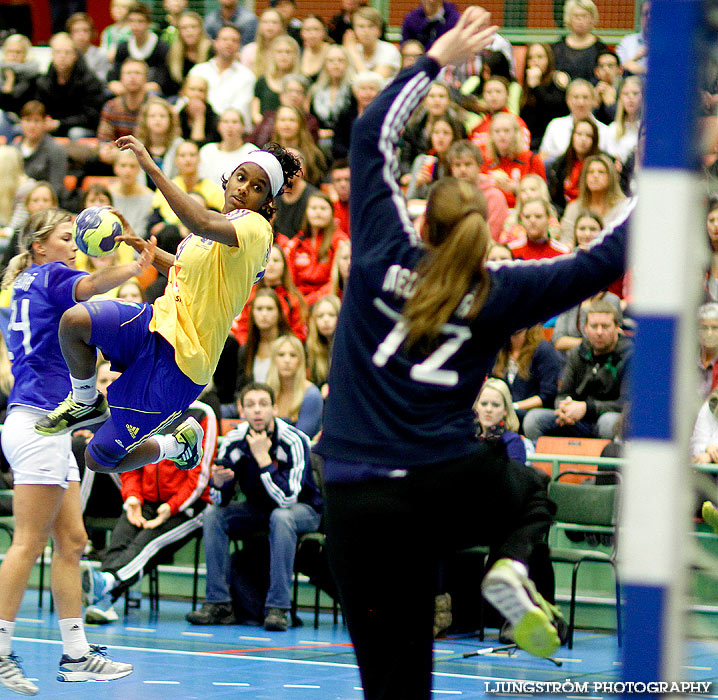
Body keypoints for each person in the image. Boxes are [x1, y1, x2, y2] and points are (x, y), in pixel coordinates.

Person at [313, 10, 634, 697]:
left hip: (351, 497)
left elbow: (371, 135)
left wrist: (436, 61)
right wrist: (678, 165)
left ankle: (505, 568)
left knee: (395, 682)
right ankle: (511, 564)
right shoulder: (500, 289)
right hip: (443, 483)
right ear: (483, 226)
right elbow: (605, 257)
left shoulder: (377, 251)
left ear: (422, 218)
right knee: (529, 497)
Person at [34, 133, 301, 478]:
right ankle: (84, 400)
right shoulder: (214, 232)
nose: (244, 188)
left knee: (97, 459)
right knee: (74, 321)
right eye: (241, 177)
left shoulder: (255, 228)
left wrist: (151, 167)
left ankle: (176, 446)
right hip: (157, 323)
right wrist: (140, 245)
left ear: (266, 200)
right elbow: (183, 268)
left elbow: (200, 220)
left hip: (182, 363)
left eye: (258, 187)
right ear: (229, 178)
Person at [0, 208, 149, 694]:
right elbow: (89, 291)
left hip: (41, 424)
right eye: (66, 237)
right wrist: (135, 266)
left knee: (73, 541)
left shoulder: (21, 283)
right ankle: (0, 652)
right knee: (27, 544)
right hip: (39, 422)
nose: (74, 244)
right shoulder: (49, 276)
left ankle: (77, 653)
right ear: (40, 245)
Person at [186, 382, 322, 631]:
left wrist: (264, 461)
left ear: (275, 408)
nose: (257, 411)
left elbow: (288, 499)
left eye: (263, 405)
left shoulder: (294, 440)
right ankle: (219, 603)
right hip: (258, 509)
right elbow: (219, 500)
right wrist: (218, 485)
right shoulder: (234, 440)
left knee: (281, 517)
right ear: (241, 410)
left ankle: (278, 608)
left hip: (303, 510)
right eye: (250, 405)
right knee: (213, 514)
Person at [80, 401, 215, 622]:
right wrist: (132, 497)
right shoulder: (146, 407)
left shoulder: (202, 413)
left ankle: (107, 586)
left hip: (189, 507)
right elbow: (130, 459)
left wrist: (172, 507)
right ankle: (106, 597)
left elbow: (200, 474)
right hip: (148, 500)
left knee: (147, 544)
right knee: (120, 536)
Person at [523, 299, 632, 443]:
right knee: (534, 419)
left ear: (616, 327)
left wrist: (587, 408)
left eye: (605, 326)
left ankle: (604, 465)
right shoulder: (577, 353)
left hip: (607, 417)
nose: (599, 332)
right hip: (577, 420)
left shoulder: (630, 355)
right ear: (585, 329)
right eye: (594, 326)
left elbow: (624, 404)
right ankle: (542, 464)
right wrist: (565, 408)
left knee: (608, 423)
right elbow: (562, 394)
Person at [34, 32, 107, 140]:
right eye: (58, 52)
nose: (62, 57)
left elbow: (92, 116)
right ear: (52, 55)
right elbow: (38, 106)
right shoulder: (44, 80)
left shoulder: (90, 81)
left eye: (67, 53)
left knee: (75, 133)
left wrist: (60, 123)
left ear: (75, 56)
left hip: (82, 128)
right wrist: (44, 120)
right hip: (52, 126)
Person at [231, 242, 307, 344]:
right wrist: (249, 351)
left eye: (276, 260)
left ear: (284, 265)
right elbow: (242, 329)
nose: (271, 265)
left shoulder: (294, 299)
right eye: (267, 260)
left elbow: (298, 333)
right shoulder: (248, 295)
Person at [491, 325, 564, 431]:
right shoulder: (499, 350)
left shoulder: (543, 349)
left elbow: (547, 396)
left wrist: (513, 407)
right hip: (503, 411)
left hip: (531, 413)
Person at [188, 25, 256, 130]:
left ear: (239, 46)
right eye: (224, 39)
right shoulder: (198, 71)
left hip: (231, 130)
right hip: (200, 126)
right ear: (215, 43)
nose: (229, 43)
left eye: (234, 40)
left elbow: (240, 110)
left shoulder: (247, 76)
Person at [480, 112, 546, 208]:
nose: (502, 135)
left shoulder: (532, 160)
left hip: (523, 212)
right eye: (497, 131)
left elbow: (542, 196)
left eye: (506, 131)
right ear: (491, 135)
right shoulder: (484, 161)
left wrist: (515, 188)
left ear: (516, 133)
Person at [107, 2, 172, 98]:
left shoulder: (161, 47)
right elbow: (114, 73)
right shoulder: (123, 47)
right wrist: (113, 83)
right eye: (132, 21)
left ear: (148, 23)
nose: (135, 25)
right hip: (127, 90)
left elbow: (162, 80)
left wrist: (139, 88)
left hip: (153, 93)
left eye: (140, 21)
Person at [559, 153, 627, 244]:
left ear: (611, 177)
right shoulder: (574, 208)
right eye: (590, 172)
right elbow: (565, 241)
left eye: (601, 172)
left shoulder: (623, 207)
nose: (595, 176)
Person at [539, 78, 608, 164]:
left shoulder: (604, 131)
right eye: (576, 97)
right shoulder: (555, 126)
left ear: (593, 100)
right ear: (568, 100)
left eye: (585, 97)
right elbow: (543, 157)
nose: (581, 103)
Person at [97, 58, 151, 167]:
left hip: (149, 158)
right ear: (121, 78)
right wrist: (107, 150)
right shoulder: (111, 107)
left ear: (146, 78)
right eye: (128, 73)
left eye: (137, 73)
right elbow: (105, 139)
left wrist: (128, 155)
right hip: (117, 158)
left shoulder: (155, 107)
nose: (132, 77)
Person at [267, 334, 323, 438]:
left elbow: (301, 437)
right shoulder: (266, 391)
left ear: (300, 361)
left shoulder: (311, 395)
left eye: (293, 355)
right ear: (274, 359)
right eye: (281, 355)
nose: (287, 360)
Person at [519, 43, 569, 152]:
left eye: (540, 57)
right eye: (531, 58)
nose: (535, 61)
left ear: (548, 59)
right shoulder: (525, 86)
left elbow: (554, 111)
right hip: (530, 143)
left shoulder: (558, 79)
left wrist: (536, 87)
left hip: (553, 142)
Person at [12, 101, 68, 198]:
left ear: (44, 123)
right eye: (28, 120)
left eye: (36, 121)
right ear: (21, 122)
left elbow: (56, 188)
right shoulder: (13, 149)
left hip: (43, 205)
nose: (32, 126)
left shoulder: (56, 150)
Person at [547, 117, 601, 217]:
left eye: (588, 136)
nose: (583, 139)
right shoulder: (558, 165)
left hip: (592, 215)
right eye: (579, 134)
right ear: (572, 136)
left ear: (594, 140)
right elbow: (553, 199)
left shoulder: (601, 164)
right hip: (563, 214)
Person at [551, 0, 607, 83]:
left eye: (584, 16)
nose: (580, 20)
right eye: (576, 16)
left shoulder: (600, 48)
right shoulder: (558, 47)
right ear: (569, 18)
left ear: (592, 19)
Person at [199, 108, 257, 187]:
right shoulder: (207, 151)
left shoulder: (252, 152)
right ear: (219, 126)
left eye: (234, 122)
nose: (230, 126)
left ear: (243, 127)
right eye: (225, 122)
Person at [475, 377, 525, 463]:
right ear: (476, 407)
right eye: (484, 404)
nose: (489, 409)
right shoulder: (468, 439)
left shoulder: (513, 441)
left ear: (505, 410)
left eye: (495, 405)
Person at [344, 7, 401, 80]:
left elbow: (372, 83)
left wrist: (353, 54)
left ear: (379, 30)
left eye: (371, 26)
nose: (366, 31)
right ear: (354, 30)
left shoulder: (389, 50)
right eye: (361, 26)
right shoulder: (353, 49)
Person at [166, 10, 213, 95]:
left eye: (193, 27)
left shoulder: (211, 50)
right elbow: (169, 86)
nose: (189, 31)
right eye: (184, 28)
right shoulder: (173, 53)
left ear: (201, 29)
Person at [66, 12, 111, 83]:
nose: (81, 34)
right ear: (70, 34)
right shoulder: (65, 55)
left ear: (92, 33)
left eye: (85, 30)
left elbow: (102, 81)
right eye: (76, 31)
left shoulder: (101, 55)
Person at [616, 0, 649, 77]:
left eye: (654, 14)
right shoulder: (627, 42)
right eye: (646, 14)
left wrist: (642, 70)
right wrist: (635, 58)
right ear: (641, 17)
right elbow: (619, 70)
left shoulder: (670, 44)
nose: (649, 18)